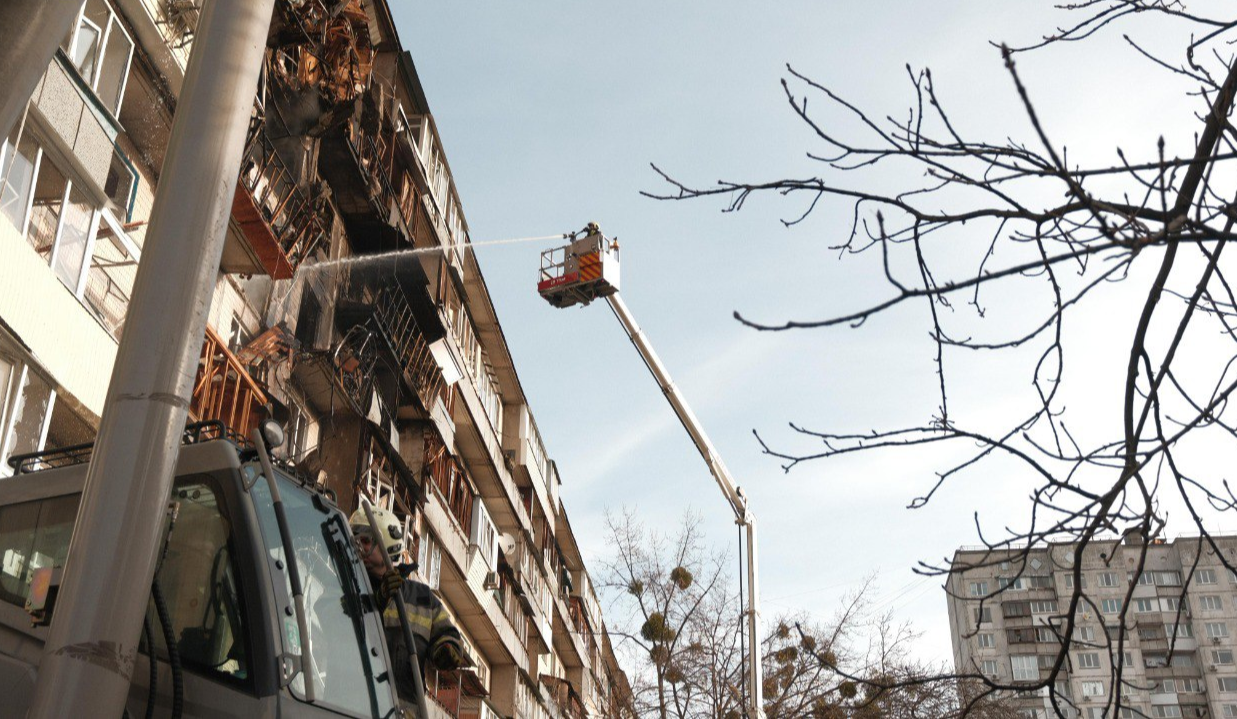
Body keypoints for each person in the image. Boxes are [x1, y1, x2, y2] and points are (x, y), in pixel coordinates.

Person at [349, 506, 465, 706]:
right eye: (354, 541)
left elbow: (448, 635)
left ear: (387, 545)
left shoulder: (422, 598)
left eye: (365, 541)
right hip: (352, 706)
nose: (358, 547)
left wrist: (447, 649)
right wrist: (376, 600)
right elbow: (331, 622)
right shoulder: (344, 583)